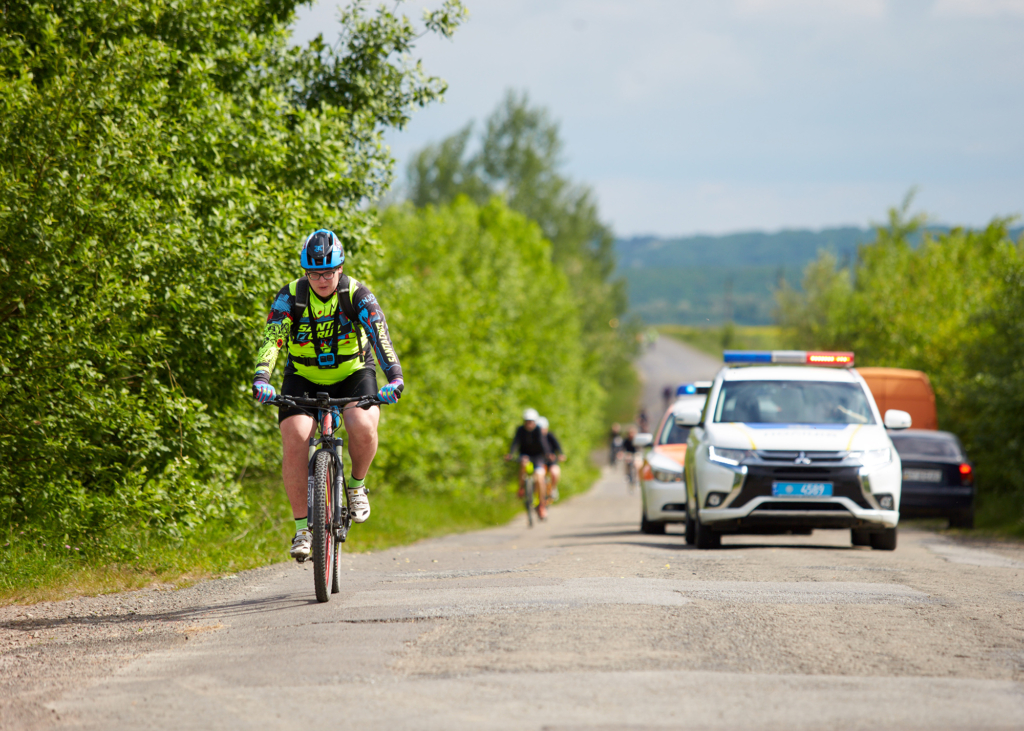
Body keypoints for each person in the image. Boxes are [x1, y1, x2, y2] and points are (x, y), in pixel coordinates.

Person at [252, 229, 405, 560]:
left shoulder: (357, 295)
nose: (322, 279)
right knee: (294, 435)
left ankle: (356, 485)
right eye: (315, 272)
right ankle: (302, 530)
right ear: (306, 271)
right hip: (303, 375)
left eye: (329, 271)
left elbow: (381, 336)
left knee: (361, 423)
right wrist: (262, 376)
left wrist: (394, 377)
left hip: (353, 373)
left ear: (340, 268)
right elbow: (273, 338)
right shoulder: (290, 297)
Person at [505, 408, 551, 520]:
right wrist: (510, 453)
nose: (529, 424)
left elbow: (543, 443)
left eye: (531, 421)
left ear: (535, 422)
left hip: (538, 458)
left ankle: (541, 505)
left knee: (540, 478)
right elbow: (515, 442)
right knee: (523, 464)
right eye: (526, 421)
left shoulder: (538, 430)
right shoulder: (520, 430)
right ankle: (521, 487)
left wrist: (547, 454)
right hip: (525, 457)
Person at [537, 416, 566, 502]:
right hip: (539, 461)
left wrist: (561, 454)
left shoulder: (550, 436)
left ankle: (553, 488)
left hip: (551, 461)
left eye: (543, 428)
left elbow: (558, 446)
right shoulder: (536, 438)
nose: (542, 431)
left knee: (555, 472)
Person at [621, 424, 640, 491]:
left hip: (636, 453)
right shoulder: (626, 441)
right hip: (629, 453)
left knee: (637, 464)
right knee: (626, 460)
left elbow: (639, 449)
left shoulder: (637, 440)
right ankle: (627, 474)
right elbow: (623, 449)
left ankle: (637, 478)